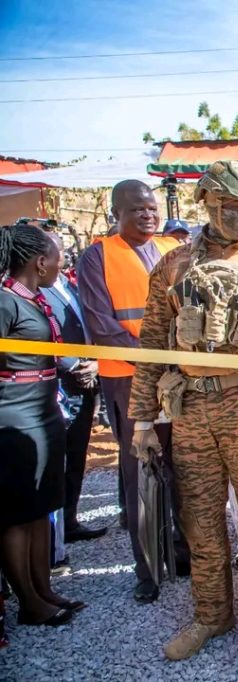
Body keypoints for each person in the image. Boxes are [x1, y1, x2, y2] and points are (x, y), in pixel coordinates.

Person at [127, 161, 238, 676]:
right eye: (236, 208)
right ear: (208, 204)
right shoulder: (173, 265)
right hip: (191, 412)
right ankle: (211, 615)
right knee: (201, 523)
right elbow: (153, 345)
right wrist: (141, 421)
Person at [77, 179, 181, 603]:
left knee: (182, 469)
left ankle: (182, 552)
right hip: (128, 379)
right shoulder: (96, 256)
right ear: (116, 213)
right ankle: (147, 569)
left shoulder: (171, 252)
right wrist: (155, 364)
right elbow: (102, 326)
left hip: (175, 380)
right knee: (141, 473)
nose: (148, 214)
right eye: (137, 209)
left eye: (152, 207)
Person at [1, 223, 83, 627]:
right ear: (40, 261)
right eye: (57, 255)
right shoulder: (4, 302)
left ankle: (43, 587)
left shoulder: (33, 299)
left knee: (41, 505)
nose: (61, 261)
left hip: (44, 411)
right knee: (19, 512)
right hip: (14, 419)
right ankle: (28, 601)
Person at [40, 233, 104, 544]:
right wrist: (75, 365)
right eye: (57, 248)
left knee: (76, 453)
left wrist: (97, 361)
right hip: (62, 384)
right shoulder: (33, 293)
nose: (63, 251)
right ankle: (54, 533)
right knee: (58, 457)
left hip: (87, 380)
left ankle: (70, 519)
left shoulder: (70, 285)